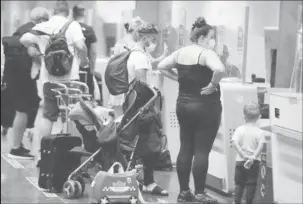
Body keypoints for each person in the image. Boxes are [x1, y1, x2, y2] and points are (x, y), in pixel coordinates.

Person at [158, 17, 225, 203]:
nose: (213, 41)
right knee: (202, 150)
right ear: (202, 37)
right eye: (212, 37)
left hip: (184, 105)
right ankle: (201, 194)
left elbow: (161, 66)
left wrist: (177, 78)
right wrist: (212, 85)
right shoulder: (206, 53)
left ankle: (184, 192)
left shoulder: (180, 52)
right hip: (206, 106)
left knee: (185, 148)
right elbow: (219, 69)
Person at [20, 0, 89, 163]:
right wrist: (84, 61)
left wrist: (39, 49)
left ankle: (43, 155)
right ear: (68, 12)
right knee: (71, 116)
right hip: (70, 80)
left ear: (53, 11)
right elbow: (81, 45)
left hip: (49, 80)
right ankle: (71, 157)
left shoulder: (44, 26)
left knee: (48, 116)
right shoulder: (73, 25)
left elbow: (24, 39)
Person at [126, 22, 168, 196]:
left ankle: (144, 181)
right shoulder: (140, 57)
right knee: (151, 144)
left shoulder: (137, 54)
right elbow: (142, 86)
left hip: (137, 107)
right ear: (144, 38)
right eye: (152, 39)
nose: (154, 43)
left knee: (142, 144)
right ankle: (148, 182)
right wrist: (153, 102)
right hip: (144, 108)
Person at [5, 7, 49, 159]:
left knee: (21, 110)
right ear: (42, 20)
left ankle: (17, 145)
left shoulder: (20, 30)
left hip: (14, 75)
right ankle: (16, 148)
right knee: (24, 110)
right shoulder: (36, 31)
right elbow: (31, 52)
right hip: (26, 76)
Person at [232, 102, 265, 204]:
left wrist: (243, 155)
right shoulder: (259, 132)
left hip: (240, 161)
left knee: (239, 184)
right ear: (259, 117)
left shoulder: (239, 129)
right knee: (251, 184)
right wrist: (252, 157)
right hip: (253, 162)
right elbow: (260, 146)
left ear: (244, 116)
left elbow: (235, 143)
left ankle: (236, 201)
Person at [72, 5, 99, 98]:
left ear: (73, 14)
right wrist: (92, 68)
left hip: (71, 67)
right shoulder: (89, 29)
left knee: (72, 94)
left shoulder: (69, 28)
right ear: (84, 14)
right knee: (87, 93)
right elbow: (93, 51)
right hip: (85, 67)